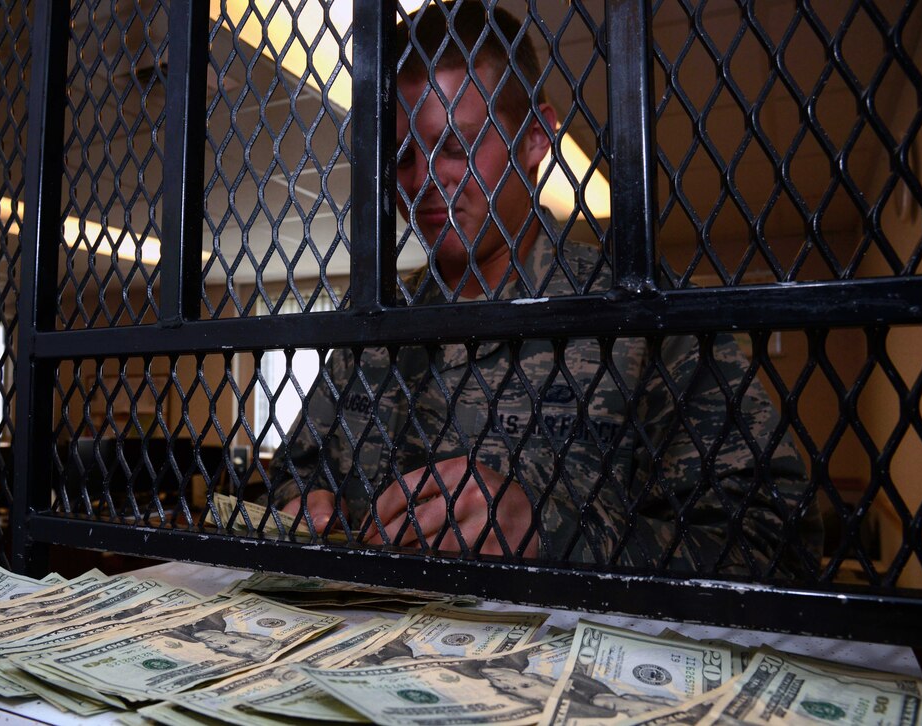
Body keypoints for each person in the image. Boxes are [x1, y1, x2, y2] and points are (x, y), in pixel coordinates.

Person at [267, 1, 822, 575]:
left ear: (535, 139)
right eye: (405, 156)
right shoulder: (375, 324)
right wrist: (298, 504)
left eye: (455, 147)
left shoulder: (640, 320)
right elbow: (291, 473)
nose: (426, 178)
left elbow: (778, 548)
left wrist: (546, 532)